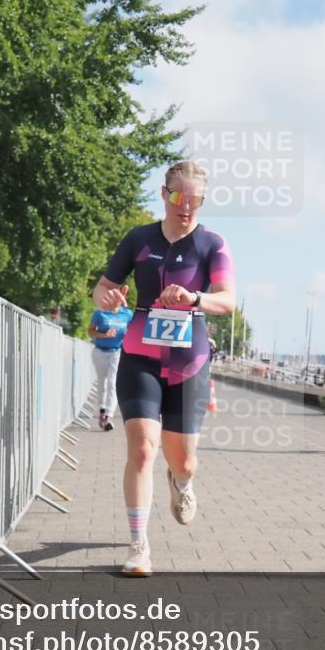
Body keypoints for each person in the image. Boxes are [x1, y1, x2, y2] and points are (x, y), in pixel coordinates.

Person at [93, 161, 235, 576]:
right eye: (178, 196)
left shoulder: (213, 244)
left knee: (184, 461)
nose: (186, 206)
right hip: (139, 356)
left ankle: (182, 483)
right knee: (141, 448)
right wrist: (108, 298)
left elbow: (227, 300)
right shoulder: (139, 239)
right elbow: (103, 285)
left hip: (189, 363)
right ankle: (139, 546)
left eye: (195, 200)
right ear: (164, 194)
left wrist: (194, 298)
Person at [87, 295, 133, 431]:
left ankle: (109, 415)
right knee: (103, 384)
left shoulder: (127, 314)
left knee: (113, 383)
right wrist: (104, 335)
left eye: (119, 298)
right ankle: (102, 409)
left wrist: (129, 336)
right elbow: (90, 331)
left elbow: (133, 330)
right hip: (100, 351)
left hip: (117, 352)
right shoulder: (100, 313)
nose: (116, 301)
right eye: (114, 297)